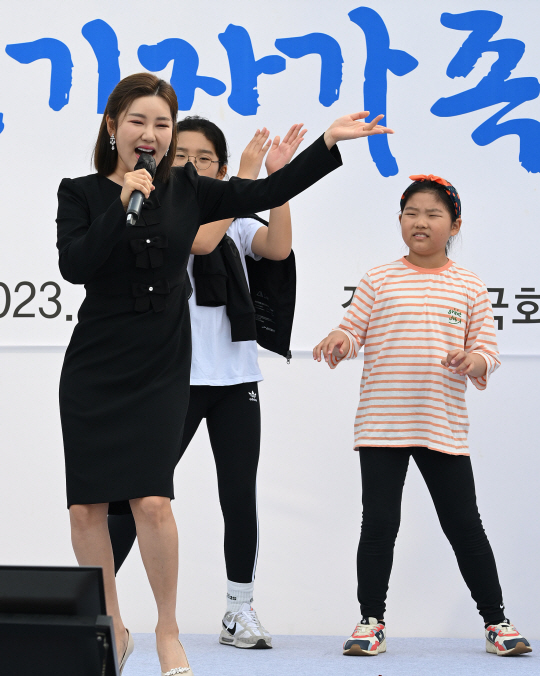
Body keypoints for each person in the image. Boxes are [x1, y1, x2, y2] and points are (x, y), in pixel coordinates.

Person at [57, 71, 392, 675]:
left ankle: (167, 630)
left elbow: (268, 189)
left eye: (162, 123)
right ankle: (110, 625)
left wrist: (326, 143)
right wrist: (122, 201)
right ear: (112, 126)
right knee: (87, 508)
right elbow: (77, 265)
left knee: (152, 501)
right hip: (94, 366)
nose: (151, 133)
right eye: (138, 121)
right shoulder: (79, 192)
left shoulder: (189, 189)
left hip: (162, 366)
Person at [313, 175, 532, 658]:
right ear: (399, 221)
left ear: (455, 225)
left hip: (441, 425)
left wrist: (474, 361)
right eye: (411, 213)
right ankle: (370, 622)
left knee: (465, 527)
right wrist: (339, 341)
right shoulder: (378, 279)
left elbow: (488, 353)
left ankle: (496, 622)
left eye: (433, 214)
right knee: (378, 526)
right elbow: (352, 330)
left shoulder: (469, 285)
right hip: (382, 424)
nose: (421, 222)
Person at [108, 116, 305, 650]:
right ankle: (95, 605)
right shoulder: (157, 214)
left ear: (219, 168)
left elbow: (278, 248)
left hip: (235, 378)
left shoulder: (236, 222)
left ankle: (239, 610)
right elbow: (199, 241)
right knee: (136, 493)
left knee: (239, 495)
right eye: (181, 156)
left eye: (204, 159)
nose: (192, 166)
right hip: (172, 378)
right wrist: (243, 182)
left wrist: (276, 180)